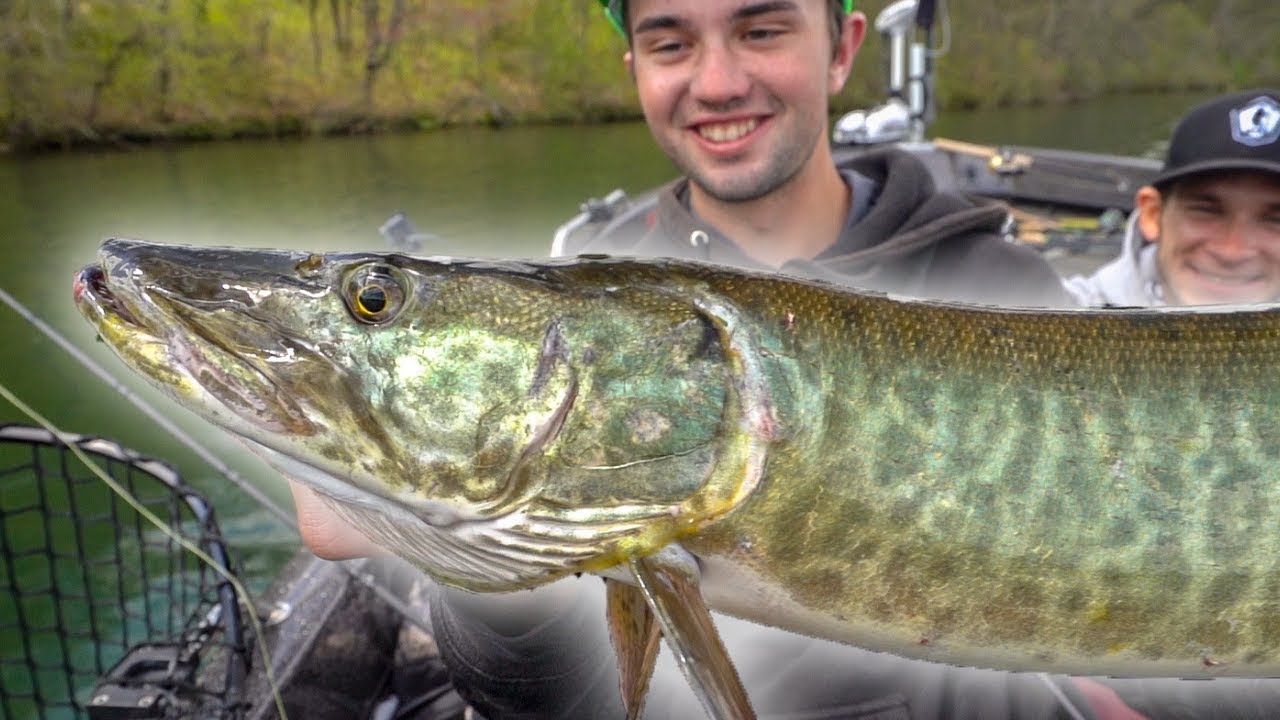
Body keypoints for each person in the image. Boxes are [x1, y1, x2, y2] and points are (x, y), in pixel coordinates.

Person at [288, 3, 1279, 719]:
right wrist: (473, 549)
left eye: (761, 29)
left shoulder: (993, 280)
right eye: (670, 40)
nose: (718, 81)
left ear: (841, 44)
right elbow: (539, 701)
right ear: (633, 63)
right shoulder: (576, 298)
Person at [1064, 89, 1280, 307]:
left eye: (1276, 221)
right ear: (1153, 214)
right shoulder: (1059, 311)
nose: (1232, 252)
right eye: (1206, 211)